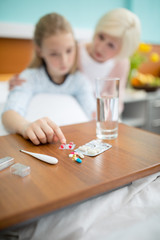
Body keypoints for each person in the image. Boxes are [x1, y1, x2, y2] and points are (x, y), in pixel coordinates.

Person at [9, 8, 141, 115]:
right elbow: (44, 74)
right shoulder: (72, 50)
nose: (100, 47)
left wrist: (103, 119)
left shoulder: (121, 63)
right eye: (101, 37)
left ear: (122, 50)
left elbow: (117, 101)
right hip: (72, 115)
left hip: (99, 119)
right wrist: (18, 82)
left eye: (111, 45)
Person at [2, 13, 95, 145]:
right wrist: (26, 127)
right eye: (54, 54)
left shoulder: (79, 81)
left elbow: (93, 115)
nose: (64, 61)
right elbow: (9, 114)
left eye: (69, 50)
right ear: (40, 51)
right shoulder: (29, 78)